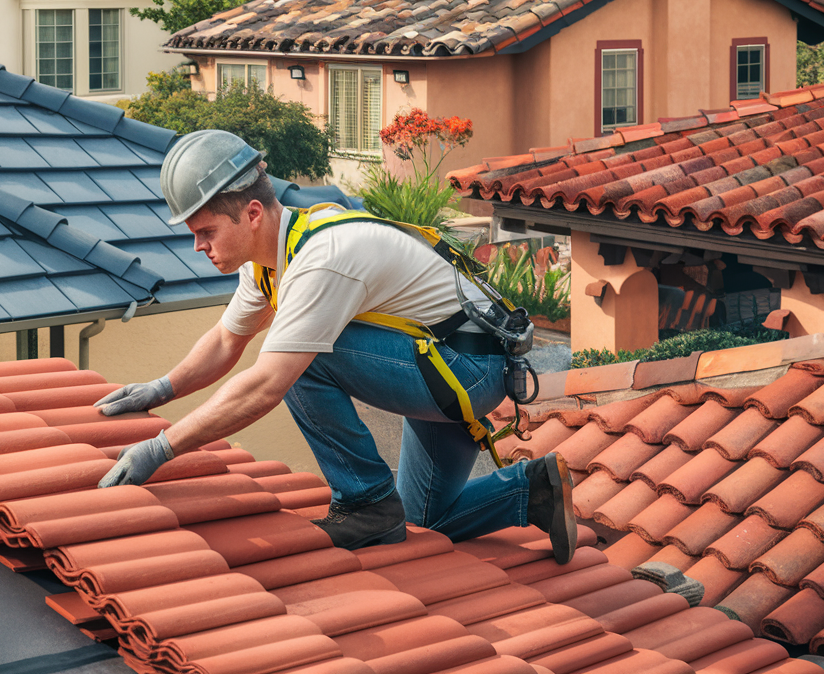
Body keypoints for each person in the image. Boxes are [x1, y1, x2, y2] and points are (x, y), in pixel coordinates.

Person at [95, 129, 577, 561]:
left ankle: (364, 499)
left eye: (206, 232)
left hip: (466, 371)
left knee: (298, 357)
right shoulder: (269, 261)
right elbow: (226, 339)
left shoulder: (322, 258)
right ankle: (531, 490)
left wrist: (160, 449)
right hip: (450, 367)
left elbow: (267, 383)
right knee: (422, 519)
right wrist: (160, 390)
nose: (198, 246)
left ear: (252, 213)